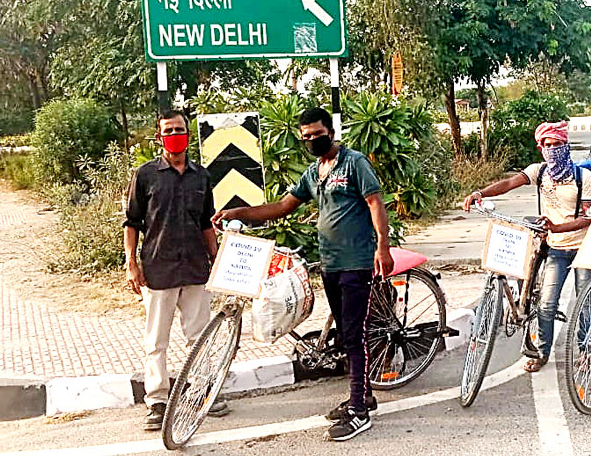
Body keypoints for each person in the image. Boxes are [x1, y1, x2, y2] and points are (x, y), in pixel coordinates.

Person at [212, 107, 394, 442]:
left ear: (330, 131)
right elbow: (282, 207)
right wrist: (239, 212)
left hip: (356, 262)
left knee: (355, 335)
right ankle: (363, 395)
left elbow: (374, 203)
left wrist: (382, 246)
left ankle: (359, 411)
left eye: (317, 133)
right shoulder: (314, 173)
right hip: (330, 263)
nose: (312, 140)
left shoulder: (354, 163)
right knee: (344, 333)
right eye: (306, 136)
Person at [123, 110, 229, 431]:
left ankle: (201, 393)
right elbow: (132, 222)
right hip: (158, 269)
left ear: (188, 133)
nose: (174, 134)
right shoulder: (145, 175)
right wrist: (131, 264)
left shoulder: (201, 176)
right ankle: (157, 400)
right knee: (156, 340)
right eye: (168, 130)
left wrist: (217, 259)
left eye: (180, 129)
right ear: (159, 137)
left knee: (199, 336)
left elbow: (205, 222)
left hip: (196, 268)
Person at [462, 120, 591, 372]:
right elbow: (509, 184)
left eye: (558, 144)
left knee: (584, 303)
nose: (553, 149)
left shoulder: (583, 176)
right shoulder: (540, 172)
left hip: (583, 247)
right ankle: (542, 352)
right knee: (546, 303)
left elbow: (588, 217)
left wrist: (558, 227)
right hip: (555, 247)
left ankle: (587, 352)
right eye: (548, 145)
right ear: (540, 147)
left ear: (566, 145)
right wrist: (481, 193)